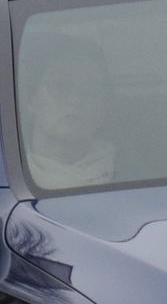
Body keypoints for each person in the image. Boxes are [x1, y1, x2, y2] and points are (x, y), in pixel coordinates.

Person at [21, 33, 116, 188]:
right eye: (60, 86)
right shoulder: (5, 178)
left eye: (90, 90)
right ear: (31, 100)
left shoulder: (136, 176)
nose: (76, 101)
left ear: (102, 112)